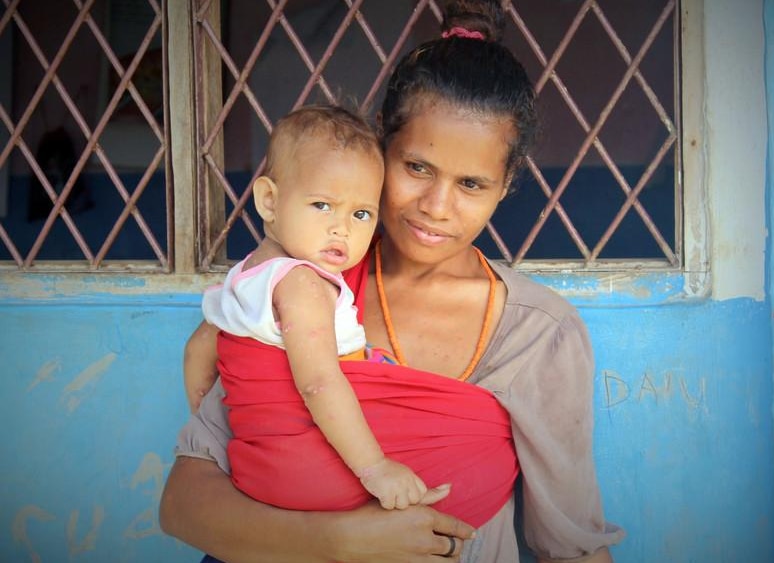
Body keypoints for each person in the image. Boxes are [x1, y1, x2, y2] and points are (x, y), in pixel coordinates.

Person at [160, 0, 625, 561]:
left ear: (507, 185)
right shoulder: (308, 284)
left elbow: (570, 548)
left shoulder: (538, 334)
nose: (436, 206)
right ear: (381, 147)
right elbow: (184, 503)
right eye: (417, 168)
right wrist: (338, 541)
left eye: (472, 184)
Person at [185, 104, 438, 512]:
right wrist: (375, 468)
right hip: (310, 475)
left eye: (361, 213)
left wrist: (216, 424)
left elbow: (198, 350)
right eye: (322, 205)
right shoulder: (303, 283)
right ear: (269, 201)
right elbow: (318, 383)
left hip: (253, 470)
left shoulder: (245, 277)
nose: (342, 227)